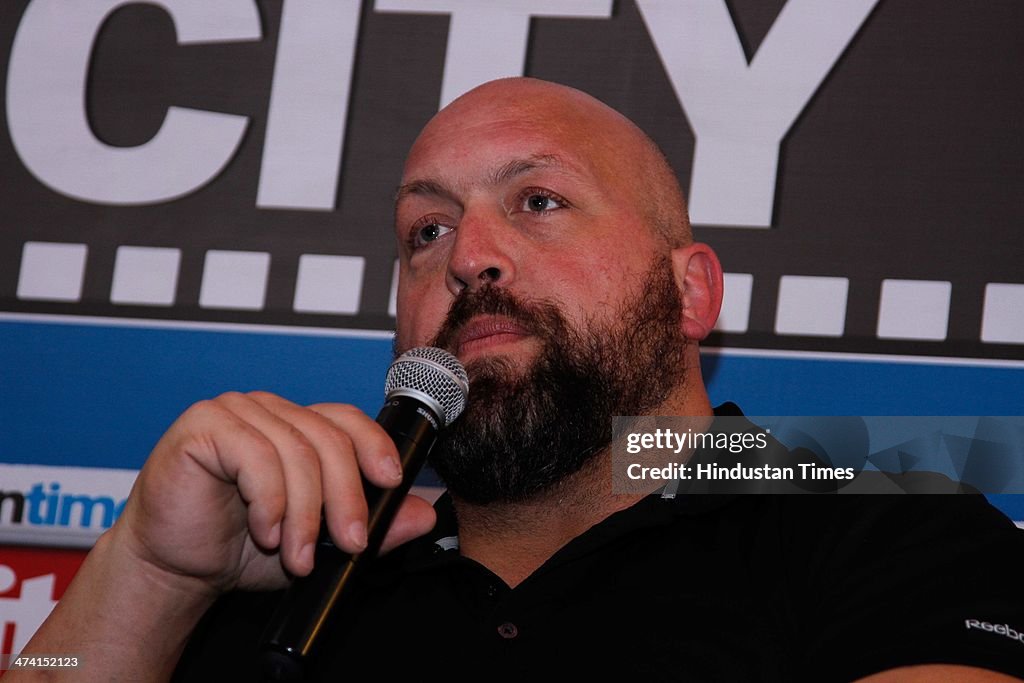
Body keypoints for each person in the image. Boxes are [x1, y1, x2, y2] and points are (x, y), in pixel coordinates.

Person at [12, 78, 1024, 682]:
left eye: (537, 200)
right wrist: (151, 572)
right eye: (427, 230)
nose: (470, 257)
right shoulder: (283, 564)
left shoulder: (892, 515)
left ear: (689, 291)